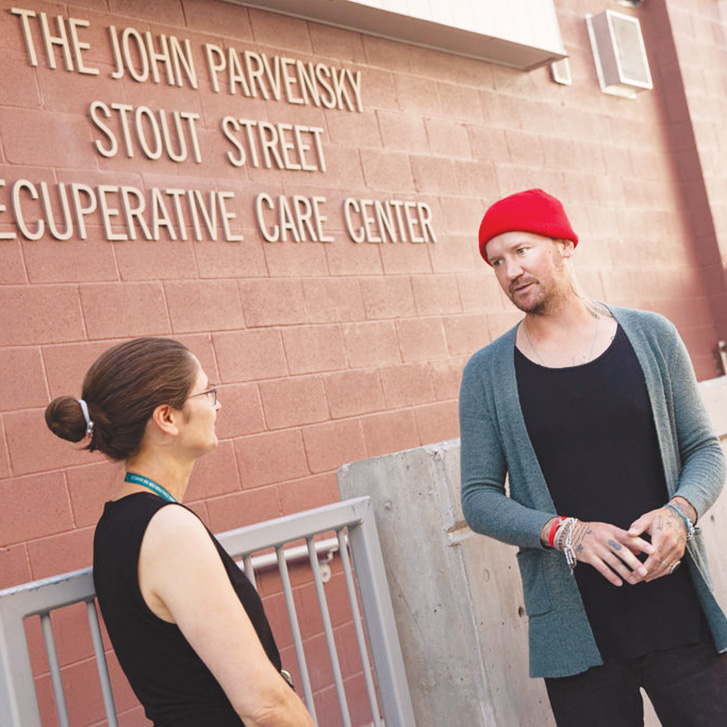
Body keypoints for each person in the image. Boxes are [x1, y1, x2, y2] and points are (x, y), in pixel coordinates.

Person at [459, 189, 727, 726]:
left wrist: (681, 512)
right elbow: (479, 498)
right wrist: (569, 534)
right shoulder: (487, 373)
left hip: (677, 614)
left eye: (521, 250)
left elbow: (704, 449)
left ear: (564, 245)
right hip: (578, 639)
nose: (510, 271)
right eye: (496, 261)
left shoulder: (651, 336)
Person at [45, 337, 315, 727]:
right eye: (207, 392)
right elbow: (264, 706)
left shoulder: (119, 524)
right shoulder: (168, 529)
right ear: (167, 418)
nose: (217, 404)